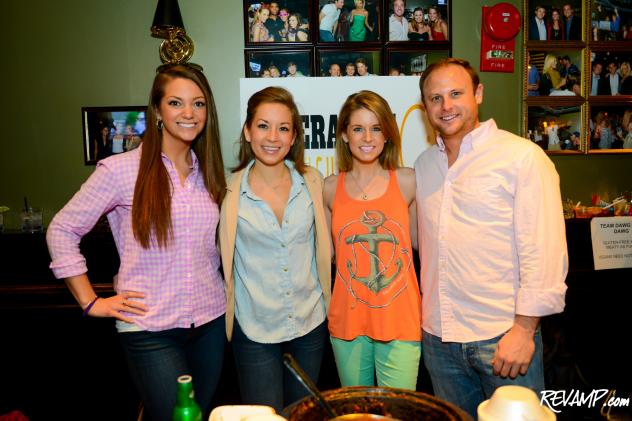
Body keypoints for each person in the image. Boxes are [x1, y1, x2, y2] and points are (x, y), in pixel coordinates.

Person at [46, 64, 227, 421]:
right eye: (175, 103)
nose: (189, 113)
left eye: (198, 103)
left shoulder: (210, 173)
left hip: (210, 323)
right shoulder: (120, 170)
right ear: (157, 111)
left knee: (199, 416)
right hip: (149, 329)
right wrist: (90, 302)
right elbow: (62, 229)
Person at [414, 58, 568, 418]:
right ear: (425, 107)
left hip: (503, 338)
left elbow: (544, 251)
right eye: (435, 98)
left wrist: (524, 331)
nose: (446, 106)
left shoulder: (522, 157)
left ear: (478, 93)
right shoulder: (423, 165)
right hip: (439, 341)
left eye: (456, 94)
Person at [218, 87, 330, 413]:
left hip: (310, 322)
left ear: (293, 137)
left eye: (283, 128)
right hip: (255, 327)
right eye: (263, 125)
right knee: (263, 417)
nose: (272, 137)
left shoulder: (313, 182)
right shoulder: (226, 190)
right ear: (247, 131)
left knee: (304, 415)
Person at [323, 90, 421, 389]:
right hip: (347, 323)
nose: (367, 137)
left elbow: (422, 245)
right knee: (356, 409)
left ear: (387, 134)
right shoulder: (329, 188)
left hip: (400, 321)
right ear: (344, 135)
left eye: (376, 128)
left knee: (398, 409)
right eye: (358, 128)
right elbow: (327, 256)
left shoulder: (408, 181)